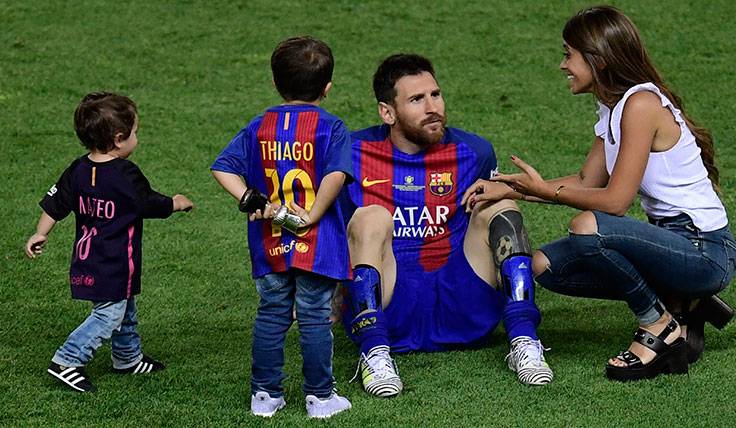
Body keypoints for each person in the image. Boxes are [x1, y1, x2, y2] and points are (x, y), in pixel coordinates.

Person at [464, 5, 736, 382]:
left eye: (568, 54)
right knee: (543, 266)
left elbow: (615, 201)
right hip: (672, 242)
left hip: (704, 250)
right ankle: (680, 299)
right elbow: (585, 180)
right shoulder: (612, 107)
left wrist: (547, 191)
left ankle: (659, 322)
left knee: (587, 227)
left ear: (598, 59)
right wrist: (512, 189)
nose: (563, 65)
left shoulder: (640, 105)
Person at [339, 53, 554, 397]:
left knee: (500, 204)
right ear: (387, 112)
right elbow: (328, 223)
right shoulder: (350, 152)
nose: (432, 107)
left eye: (435, 94)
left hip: (463, 302)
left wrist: (520, 191)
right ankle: (374, 351)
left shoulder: (474, 151)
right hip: (391, 301)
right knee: (370, 216)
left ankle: (524, 338)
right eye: (416, 99)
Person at [211, 36, 353, 418]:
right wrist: (313, 214)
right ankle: (321, 398)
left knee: (272, 312)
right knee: (314, 314)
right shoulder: (333, 127)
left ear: (275, 83)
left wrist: (254, 200)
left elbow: (222, 168)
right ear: (327, 88)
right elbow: (336, 174)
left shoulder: (260, 126)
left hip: (269, 238)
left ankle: (264, 396)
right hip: (317, 242)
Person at [24, 92, 194, 393]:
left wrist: (41, 233)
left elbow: (55, 203)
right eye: (135, 133)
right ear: (118, 139)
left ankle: (127, 357)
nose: (136, 138)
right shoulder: (124, 174)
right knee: (109, 313)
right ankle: (67, 359)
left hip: (88, 259)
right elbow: (148, 203)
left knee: (124, 305)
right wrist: (176, 203)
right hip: (113, 261)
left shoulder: (78, 169)